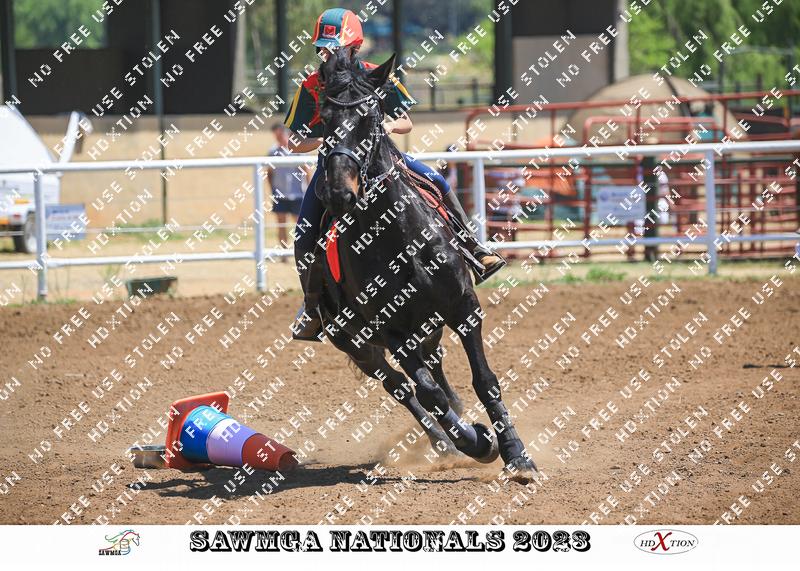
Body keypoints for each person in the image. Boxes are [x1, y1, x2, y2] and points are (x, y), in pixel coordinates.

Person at [286, 7, 505, 341]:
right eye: (323, 49)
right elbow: (295, 141)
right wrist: (328, 140)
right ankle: (313, 307)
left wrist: (387, 126)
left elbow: (406, 121)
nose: (328, 54)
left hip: (383, 158)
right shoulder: (311, 86)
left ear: (354, 47)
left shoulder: (376, 75)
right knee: (304, 235)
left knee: (436, 181)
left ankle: (474, 250)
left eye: (335, 48)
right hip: (335, 168)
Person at [266, 123, 309, 253]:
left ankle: (302, 251)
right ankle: (284, 253)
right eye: (276, 136)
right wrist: (273, 190)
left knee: (301, 226)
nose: (278, 138)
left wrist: (309, 190)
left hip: (298, 194)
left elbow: (307, 170)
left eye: (280, 135)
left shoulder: (297, 150)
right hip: (280, 195)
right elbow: (269, 173)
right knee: (281, 225)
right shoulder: (273, 152)